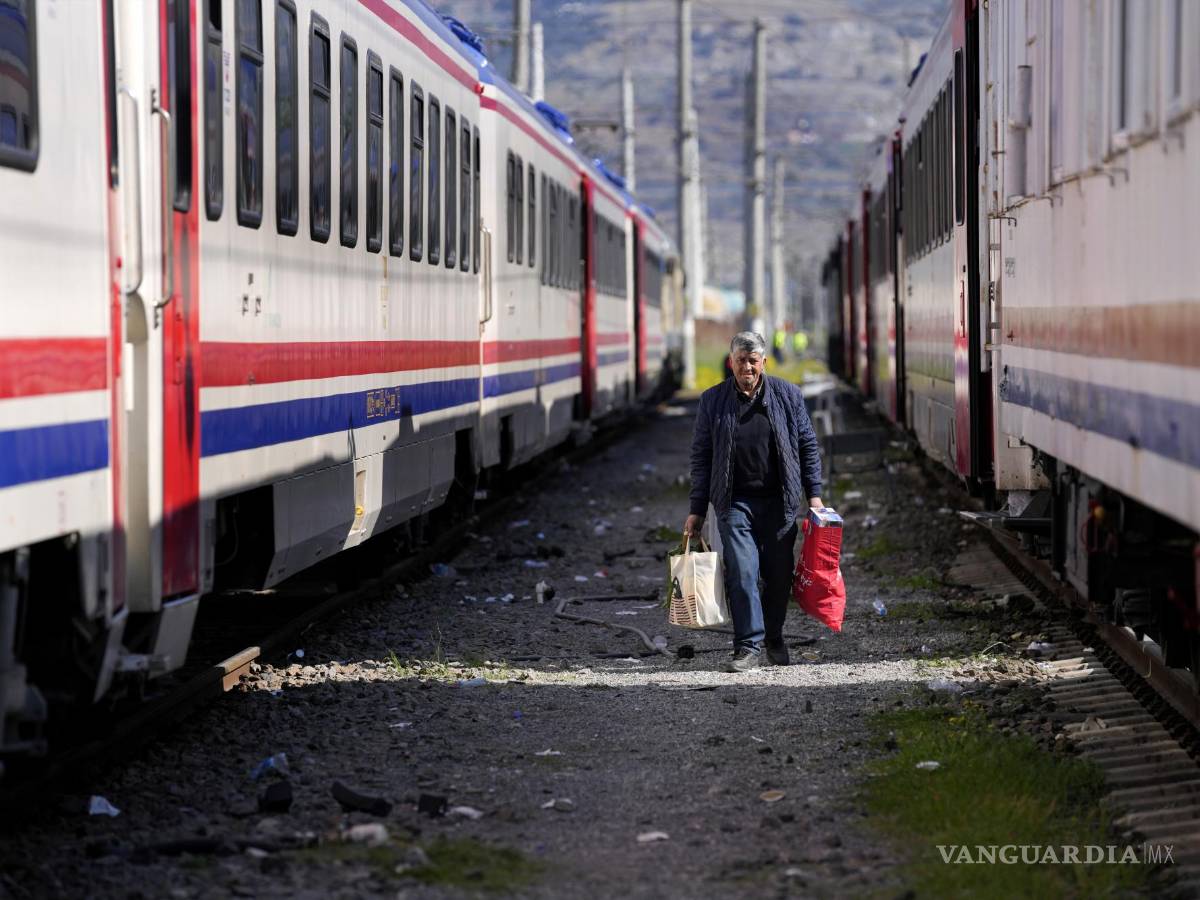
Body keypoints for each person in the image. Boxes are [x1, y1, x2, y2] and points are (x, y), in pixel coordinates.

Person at [684, 331, 824, 672]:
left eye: (753, 361)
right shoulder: (712, 401)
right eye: (740, 361)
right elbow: (702, 457)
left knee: (778, 575)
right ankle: (747, 646)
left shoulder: (788, 395)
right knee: (743, 573)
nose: (746, 367)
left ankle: (773, 636)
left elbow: (807, 445)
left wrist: (814, 495)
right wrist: (697, 510)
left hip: (780, 501)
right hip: (735, 502)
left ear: (763, 362)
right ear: (730, 363)